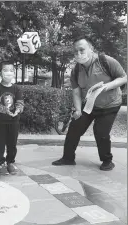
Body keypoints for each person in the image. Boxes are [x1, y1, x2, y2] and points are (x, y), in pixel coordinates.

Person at [52, 36, 127, 171]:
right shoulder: (76, 70)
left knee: (100, 131)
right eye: (75, 52)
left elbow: (123, 77)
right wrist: (78, 110)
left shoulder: (106, 61)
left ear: (91, 49)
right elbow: (76, 92)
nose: (79, 54)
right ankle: (68, 158)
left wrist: (107, 86)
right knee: (75, 127)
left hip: (110, 104)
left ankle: (107, 160)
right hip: (89, 104)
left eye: (82, 50)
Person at [0, 62, 24, 175]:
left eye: (11, 70)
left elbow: (20, 103)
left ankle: (10, 162)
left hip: (14, 121)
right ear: (1, 72)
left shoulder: (16, 89)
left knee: (12, 144)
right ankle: (1, 163)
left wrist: (17, 110)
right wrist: (6, 110)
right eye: (5, 70)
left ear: (14, 73)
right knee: (0, 143)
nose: (8, 72)